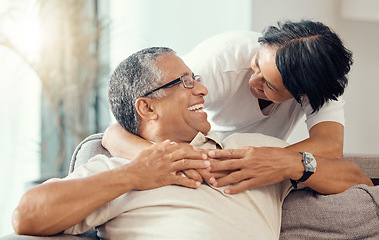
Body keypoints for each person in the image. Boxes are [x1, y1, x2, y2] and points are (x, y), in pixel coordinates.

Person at [12, 47, 308, 239]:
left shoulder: (253, 150)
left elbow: (350, 175)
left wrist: (296, 163)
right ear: (148, 108)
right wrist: (134, 175)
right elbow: (26, 216)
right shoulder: (116, 169)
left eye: (197, 79)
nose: (203, 90)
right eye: (186, 82)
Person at [102, 20, 368, 195]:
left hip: (246, 169)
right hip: (201, 157)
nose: (253, 82)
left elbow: (330, 148)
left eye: (269, 87)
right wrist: (172, 164)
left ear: (303, 95)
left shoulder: (319, 81)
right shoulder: (219, 61)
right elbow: (122, 127)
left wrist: (272, 162)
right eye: (256, 65)